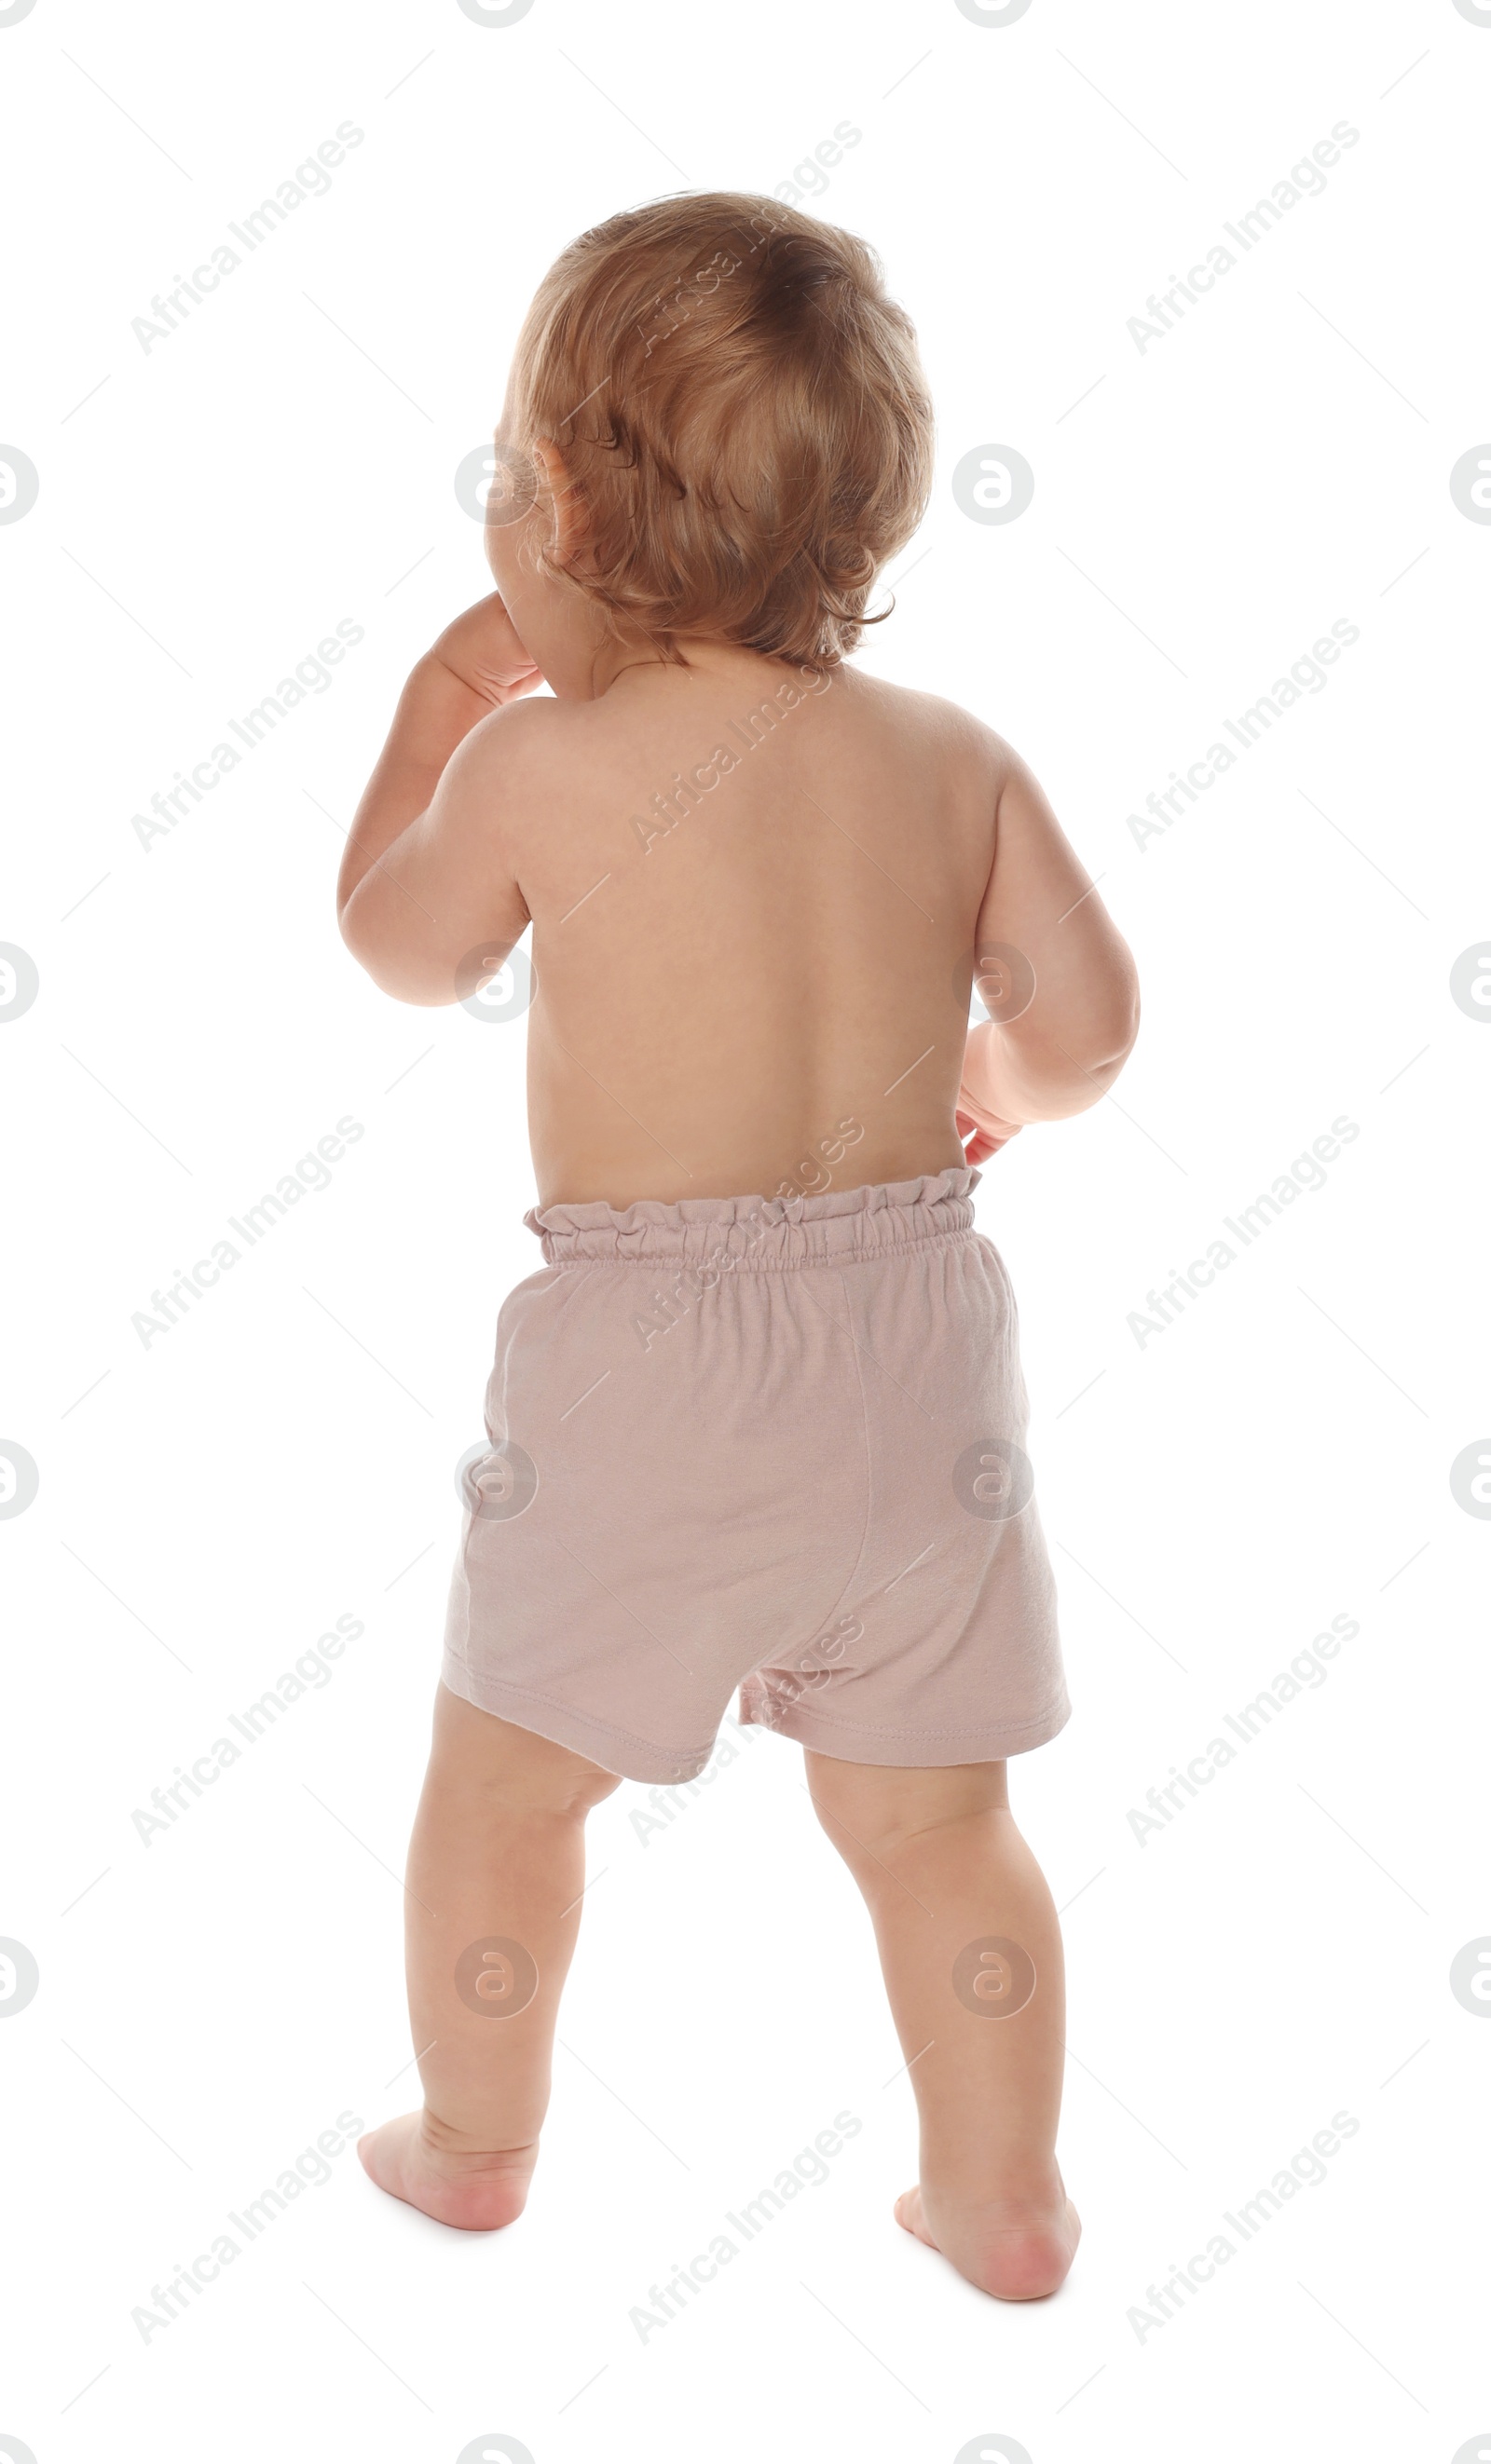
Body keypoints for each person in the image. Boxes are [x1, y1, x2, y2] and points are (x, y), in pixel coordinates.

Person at [336, 192, 1139, 2300]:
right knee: (934, 1829)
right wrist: (996, 1081)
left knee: (503, 1796)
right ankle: (1003, 2196)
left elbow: (395, 949)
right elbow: (1091, 1030)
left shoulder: (536, 761)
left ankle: (473, 2142)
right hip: (916, 1359)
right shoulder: (952, 761)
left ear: (570, 508)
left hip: (648, 1375)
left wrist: (435, 707)